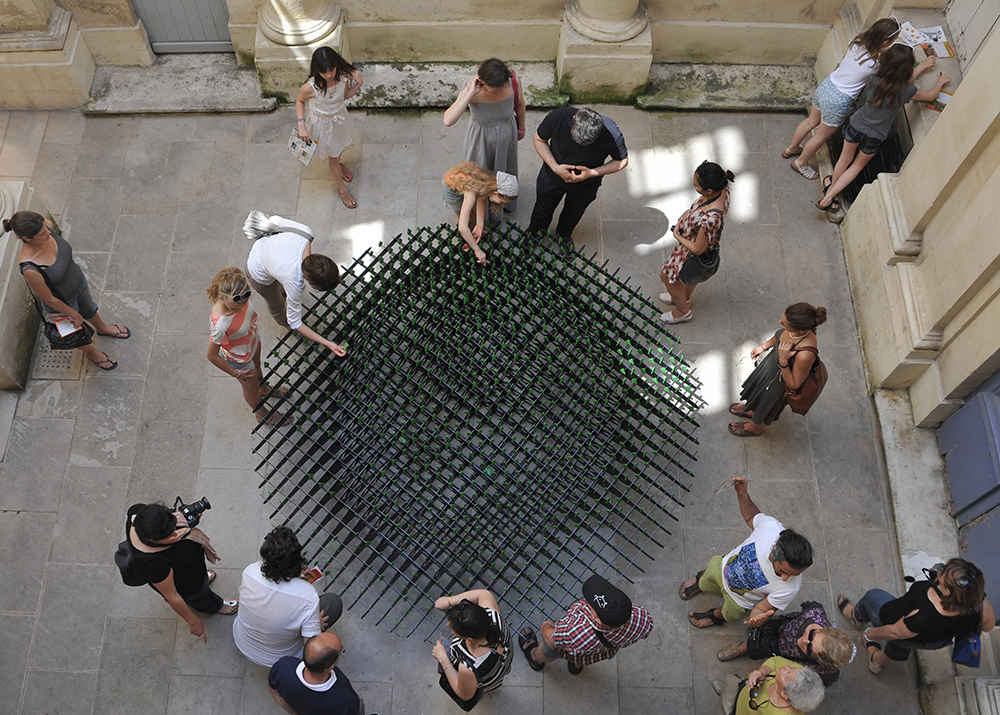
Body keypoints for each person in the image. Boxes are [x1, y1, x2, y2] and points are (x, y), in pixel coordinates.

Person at [784, 17, 930, 180]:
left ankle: (792, 148)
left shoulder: (857, 43)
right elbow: (896, 80)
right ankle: (801, 163)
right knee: (820, 136)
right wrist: (919, 66)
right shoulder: (875, 66)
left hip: (827, 85)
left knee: (811, 121)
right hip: (838, 100)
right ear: (885, 42)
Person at [817, 44, 950, 213]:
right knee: (856, 166)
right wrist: (940, 82)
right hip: (875, 136)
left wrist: (921, 67)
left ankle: (831, 191)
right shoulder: (907, 91)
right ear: (907, 69)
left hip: (855, 125)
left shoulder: (873, 79)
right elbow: (930, 96)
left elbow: (896, 82)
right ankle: (827, 199)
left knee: (844, 160)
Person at [680, 476, 812, 628]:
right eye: (783, 571)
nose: (785, 578)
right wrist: (742, 493)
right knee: (706, 579)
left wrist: (758, 617)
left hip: (740, 603)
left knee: (728, 614)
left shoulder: (791, 588)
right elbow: (751, 517)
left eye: (793, 574)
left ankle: (714, 615)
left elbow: (762, 608)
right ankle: (700, 583)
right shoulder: (770, 527)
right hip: (722, 568)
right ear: (774, 551)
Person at [7, 211, 129, 371]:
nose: (48, 233)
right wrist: (73, 314)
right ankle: (92, 353)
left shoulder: (45, 226)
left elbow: (47, 227)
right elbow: (49, 299)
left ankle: (103, 328)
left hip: (78, 282)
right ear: (27, 238)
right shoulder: (30, 268)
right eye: (42, 233)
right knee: (75, 333)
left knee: (90, 307)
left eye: (45, 228)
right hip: (63, 303)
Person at [838, 558, 995, 674]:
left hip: (896, 622)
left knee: (873, 597)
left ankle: (856, 617)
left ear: (947, 592)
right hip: (936, 641)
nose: (939, 573)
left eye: (943, 573)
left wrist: (869, 633)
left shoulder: (923, 603)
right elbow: (988, 627)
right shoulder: (981, 607)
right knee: (905, 644)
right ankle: (877, 661)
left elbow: (894, 632)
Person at [123, 502, 237, 644]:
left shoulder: (138, 514)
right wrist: (193, 622)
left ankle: (203, 578)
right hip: (186, 584)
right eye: (171, 534)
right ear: (153, 540)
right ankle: (215, 605)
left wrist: (183, 516)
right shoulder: (153, 565)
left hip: (192, 568)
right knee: (199, 596)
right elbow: (172, 596)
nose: (176, 534)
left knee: (200, 581)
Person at [233, 526, 345, 667]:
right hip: (280, 659)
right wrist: (316, 625)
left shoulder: (250, 571)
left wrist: (297, 575)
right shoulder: (308, 596)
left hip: (243, 642)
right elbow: (312, 650)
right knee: (333, 603)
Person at [245, 215, 347, 356]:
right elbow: (295, 322)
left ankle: (281, 286)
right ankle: (283, 322)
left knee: (283, 283)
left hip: (263, 248)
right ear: (311, 283)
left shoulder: (306, 233)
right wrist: (328, 343)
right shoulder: (293, 280)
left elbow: (274, 219)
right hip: (257, 271)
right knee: (277, 306)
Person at [527, 106, 628, 241]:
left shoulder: (612, 133)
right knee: (542, 208)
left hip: (586, 185)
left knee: (573, 213)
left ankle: (564, 236)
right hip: (551, 177)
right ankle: (535, 233)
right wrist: (555, 167)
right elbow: (539, 139)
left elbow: (622, 160)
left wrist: (591, 173)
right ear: (574, 119)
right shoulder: (558, 117)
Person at [518, 574, 652, 675]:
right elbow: (646, 629)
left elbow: (552, 640)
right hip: (599, 650)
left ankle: (534, 658)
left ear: (598, 620)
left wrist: (546, 628)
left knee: (546, 651)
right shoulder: (642, 617)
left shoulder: (575, 631)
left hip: (571, 643)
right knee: (581, 657)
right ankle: (575, 666)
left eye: (592, 604)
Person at [206, 267, 290, 426]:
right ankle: (262, 414)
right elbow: (211, 355)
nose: (238, 310)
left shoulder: (239, 296)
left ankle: (263, 389)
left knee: (258, 366)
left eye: (243, 303)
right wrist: (235, 373)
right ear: (220, 297)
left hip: (251, 341)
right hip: (239, 359)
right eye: (233, 308)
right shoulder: (221, 324)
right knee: (250, 388)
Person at [728, 303, 827, 437]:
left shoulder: (805, 355)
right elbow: (779, 336)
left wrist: (783, 361)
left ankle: (756, 427)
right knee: (758, 393)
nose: (780, 322)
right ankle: (751, 409)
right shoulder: (795, 331)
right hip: (770, 369)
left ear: (802, 331)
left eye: (785, 324)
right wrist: (763, 347)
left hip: (779, 383)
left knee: (766, 403)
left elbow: (794, 384)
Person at [443, 58, 526, 213]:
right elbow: (448, 120)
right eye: (495, 90)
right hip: (480, 138)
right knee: (479, 175)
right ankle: (481, 212)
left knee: (505, 167)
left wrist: (522, 128)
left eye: (503, 87)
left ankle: (503, 201)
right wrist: (469, 95)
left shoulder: (514, 81)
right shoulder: (471, 90)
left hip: (506, 133)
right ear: (482, 81)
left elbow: (520, 104)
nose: (500, 92)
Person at [658, 161, 734, 324]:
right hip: (702, 244)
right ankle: (682, 298)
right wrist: (687, 215)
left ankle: (682, 311)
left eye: (696, 186)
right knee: (690, 277)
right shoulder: (723, 189)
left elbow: (698, 249)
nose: (694, 186)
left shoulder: (711, 219)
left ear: (709, 190)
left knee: (667, 276)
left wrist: (677, 234)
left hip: (688, 250)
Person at [716, 600, 854, 687]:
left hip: (781, 654)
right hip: (778, 628)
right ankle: (741, 648)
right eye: (812, 634)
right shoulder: (814, 613)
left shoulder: (825, 670)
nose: (804, 640)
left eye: (810, 648)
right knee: (754, 641)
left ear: (820, 660)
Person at [296, 46, 364, 209]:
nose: (329, 75)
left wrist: (358, 83)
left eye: (331, 70)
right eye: (324, 72)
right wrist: (301, 124)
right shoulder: (310, 87)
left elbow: (345, 95)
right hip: (321, 124)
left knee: (336, 150)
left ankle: (337, 162)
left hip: (338, 119)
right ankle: (342, 188)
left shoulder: (342, 77)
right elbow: (300, 101)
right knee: (333, 154)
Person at [430, 588, 512, 710]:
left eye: (453, 628)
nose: (448, 625)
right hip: (502, 666)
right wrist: (449, 601)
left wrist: (443, 659)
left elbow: (464, 694)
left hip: (484, 680)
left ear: (468, 637)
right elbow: (483, 594)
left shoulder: (469, 665)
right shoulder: (492, 617)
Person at [269, 632, 366, 715]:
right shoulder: (344, 701)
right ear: (332, 666)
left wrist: (294, 712)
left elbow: (273, 690)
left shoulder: (283, 666)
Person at [441, 161, 518, 264]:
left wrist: (480, 224)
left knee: (472, 214)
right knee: (464, 218)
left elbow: (482, 199)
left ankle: (472, 232)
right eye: (502, 202)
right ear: (496, 192)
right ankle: (465, 238)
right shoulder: (471, 192)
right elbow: (462, 227)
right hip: (451, 190)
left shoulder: (489, 182)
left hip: (463, 182)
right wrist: (477, 250)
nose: (501, 204)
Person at [712, 656, 825, 715]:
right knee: (733, 689)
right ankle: (730, 693)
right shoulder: (799, 674)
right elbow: (776, 661)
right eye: (792, 668)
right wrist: (762, 672)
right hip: (745, 690)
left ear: (785, 694)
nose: (786, 667)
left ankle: (728, 702)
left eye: (786, 675)